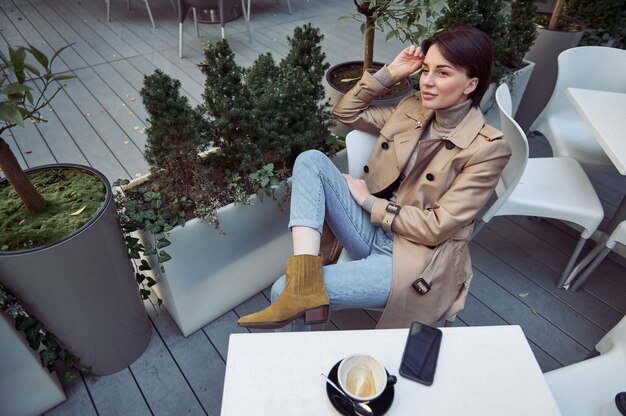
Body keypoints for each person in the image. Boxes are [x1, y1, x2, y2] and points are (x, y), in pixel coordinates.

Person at [237, 26, 512, 330]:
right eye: (425, 70)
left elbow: (436, 228)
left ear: (470, 84)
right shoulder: (413, 108)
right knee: (311, 160)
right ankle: (305, 280)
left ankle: (300, 324)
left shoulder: (488, 149)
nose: (428, 82)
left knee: (279, 290)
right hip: (371, 229)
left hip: (412, 258)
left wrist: (369, 203)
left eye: (443, 73)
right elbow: (345, 112)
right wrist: (391, 72)